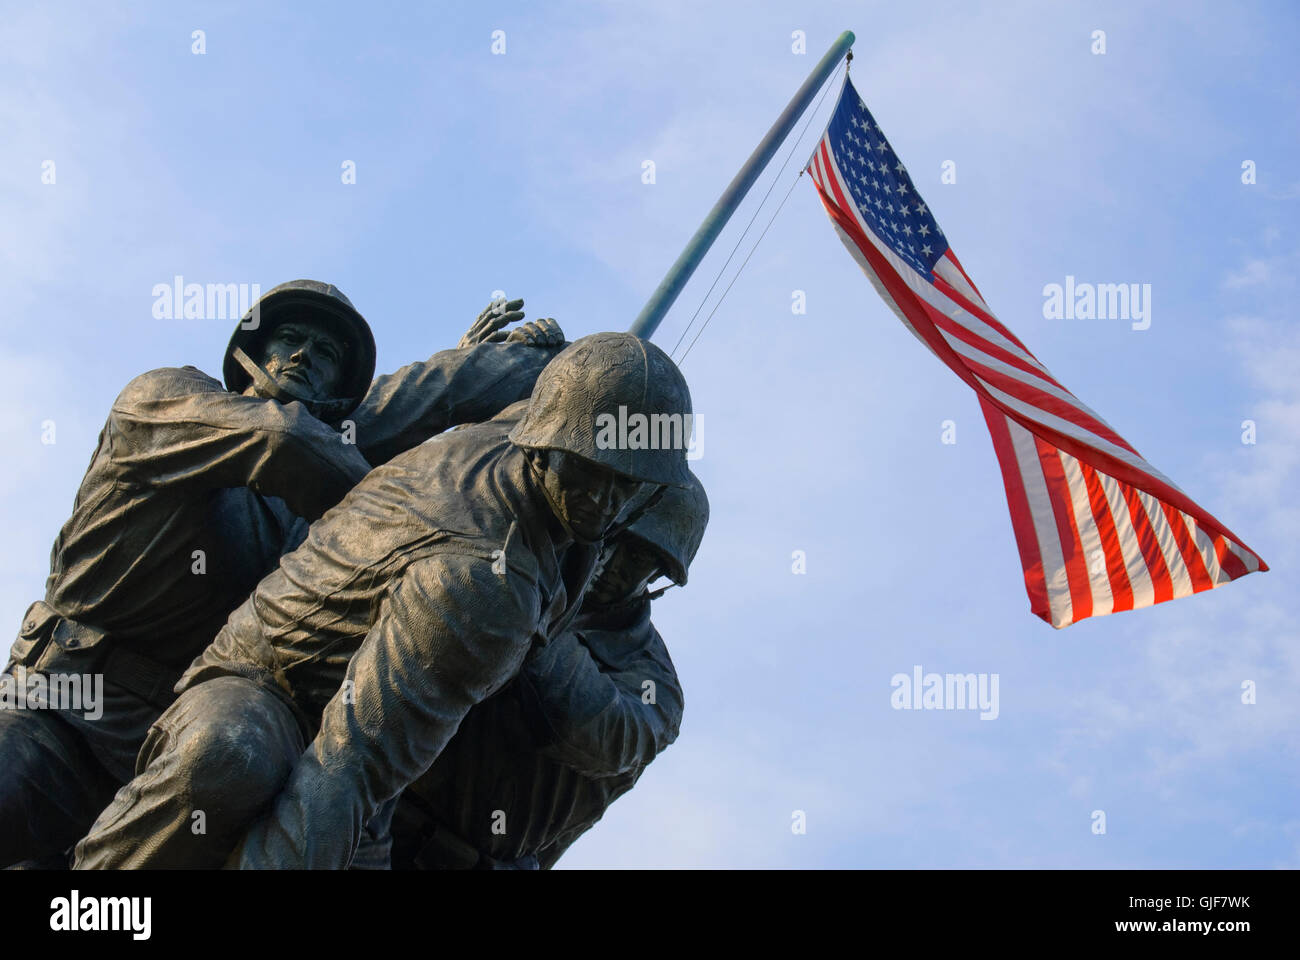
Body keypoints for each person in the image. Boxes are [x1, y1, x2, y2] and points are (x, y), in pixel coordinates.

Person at [72, 332, 693, 869]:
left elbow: (609, 733)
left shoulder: (518, 450)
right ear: (543, 439)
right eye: (590, 469)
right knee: (230, 755)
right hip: (272, 685)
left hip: (379, 775)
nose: (604, 502)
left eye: (629, 484)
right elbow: (342, 775)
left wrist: (522, 360)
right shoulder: (486, 586)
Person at [1, 279, 562, 867]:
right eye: (289, 339)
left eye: (326, 356)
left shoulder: (313, 498)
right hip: (56, 708)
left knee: (235, 770)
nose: (302, 356)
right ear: (248, 350)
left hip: (176, 739)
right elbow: (286, 437)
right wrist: (410, 501)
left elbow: (417, 399)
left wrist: (544, 377)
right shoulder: (164, 400)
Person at [387, 472, 708, 869]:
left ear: (659, 576)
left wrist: (529, 609)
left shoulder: (653, 685)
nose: (612, 563)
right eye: (613, 536)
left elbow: (602, 733)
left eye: (638, 557)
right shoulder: (509, 553)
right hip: (371, 816)